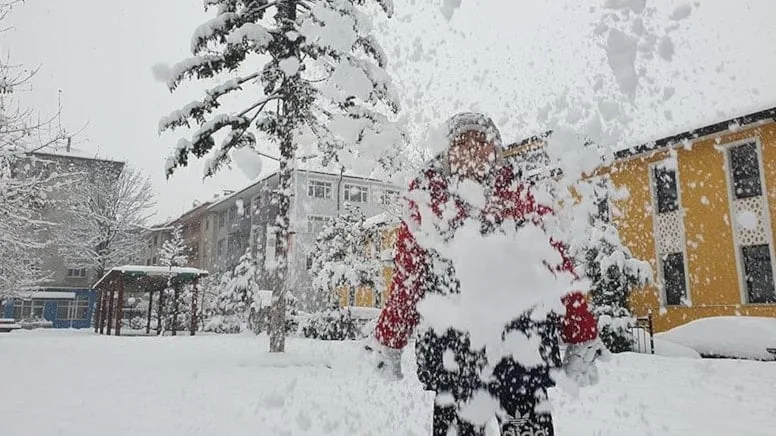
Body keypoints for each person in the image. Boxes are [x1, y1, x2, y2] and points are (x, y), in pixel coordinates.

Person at [369, 113, 608, 436]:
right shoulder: (427, 200)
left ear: (496, 150)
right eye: (461, 142)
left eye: (481, 141)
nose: (472, 149)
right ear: (446, 152)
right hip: (454, 359)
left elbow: (557, 267)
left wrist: (581, 332)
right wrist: (390, 338)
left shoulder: (522, 194)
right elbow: (409, 280)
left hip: (522, 355)